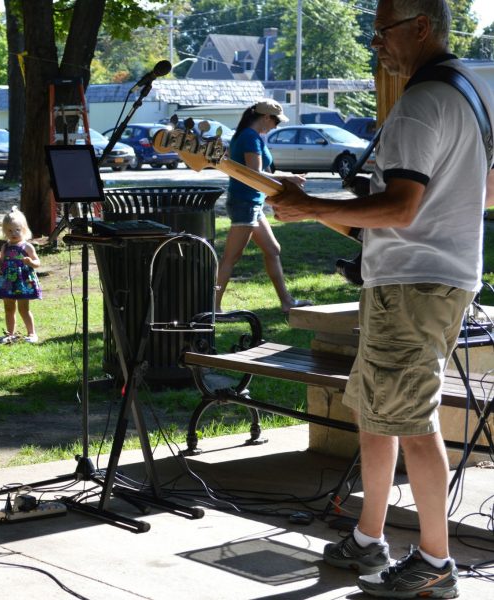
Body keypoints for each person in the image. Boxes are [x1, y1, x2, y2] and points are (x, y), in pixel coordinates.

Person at [268, 1, 494, 597]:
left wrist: (310, 207)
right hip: (415, 280)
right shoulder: (463, 93)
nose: (376, 45)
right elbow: (463, 196)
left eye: (381, 33)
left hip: (414, 287)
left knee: (413, 423)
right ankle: (370, 539)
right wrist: (313, 204)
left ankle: (436, 565)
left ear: (419, 27)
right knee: (377, 412)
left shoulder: (421, 102)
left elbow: (400, 208)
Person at [214, 99, 310, 314]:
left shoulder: (247, 135)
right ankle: (214, 306)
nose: (276, 126)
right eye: (276, 121)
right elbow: (254, 174)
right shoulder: (249, 137)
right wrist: (289, 177)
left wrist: (286, 178)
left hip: (251, 203)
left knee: (273, 250)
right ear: (266, 117)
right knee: (231, 257)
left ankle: (287, 302)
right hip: (245, 204)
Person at [0, 206, 42, 344]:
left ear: (24, 229)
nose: (14, 233)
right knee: (9, 308)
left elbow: (37, 262)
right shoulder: (5, 247)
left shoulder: (27, 247)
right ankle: (10, 334)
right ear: (5, 231)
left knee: (24, 309)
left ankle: (32, 333)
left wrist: (30, 262)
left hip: (22, 282)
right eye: (9, 230)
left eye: (17, 229)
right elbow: (3, 263)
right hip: (8, 282)